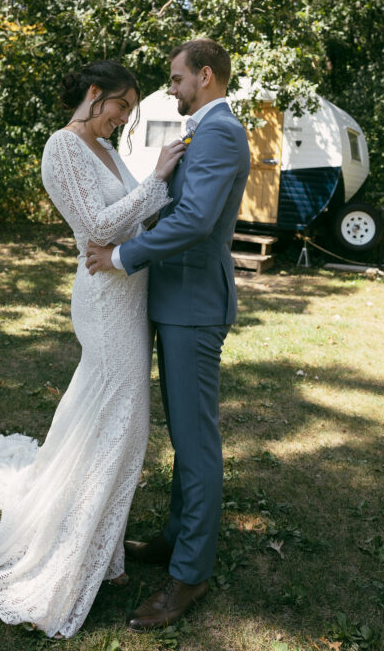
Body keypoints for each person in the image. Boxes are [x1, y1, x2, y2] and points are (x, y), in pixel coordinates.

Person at [0, 60, 186, 639]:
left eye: (130, 109)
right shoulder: (62, 148)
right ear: (94, 94)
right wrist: (154, 179)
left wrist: (171, 184)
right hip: (104, 300)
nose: (124, 117)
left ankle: (101, 550)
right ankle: (70, 551)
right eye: (120, 106)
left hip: (130, 294)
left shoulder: (106, 151)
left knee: (116, 422)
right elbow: (96, 225)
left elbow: (136, 217)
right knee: (121, 420)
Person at [85, 38, 250, 631]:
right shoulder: (200, 132)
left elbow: (195, 220)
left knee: (196, 441)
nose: (171, 88)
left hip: (194, 308)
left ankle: (190, 574)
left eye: (177, 79)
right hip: (173, 301)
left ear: (206, 77)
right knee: (183, 434)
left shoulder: (221, 133)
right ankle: (177, 536)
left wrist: (123, 254)